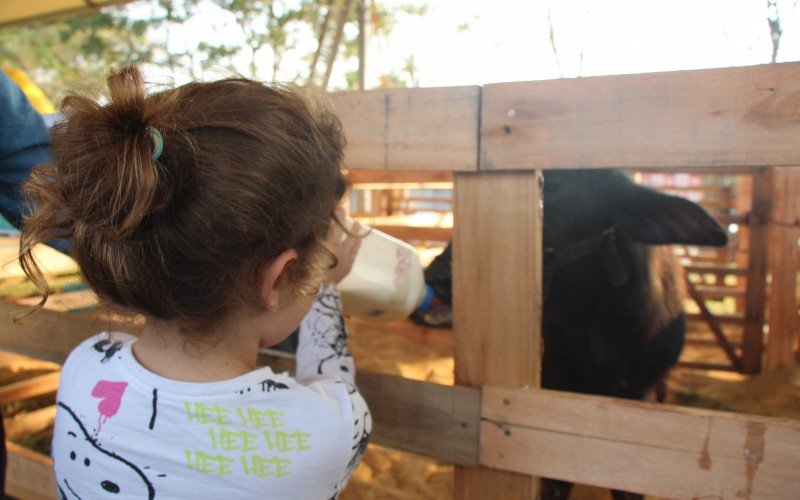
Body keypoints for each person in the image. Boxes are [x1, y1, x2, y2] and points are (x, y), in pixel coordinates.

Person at [19, 65, 370, 499]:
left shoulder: (87, 366)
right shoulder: (327, 432)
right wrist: (328, 286)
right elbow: (335, 383)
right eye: (318, 264)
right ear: (277, 279)